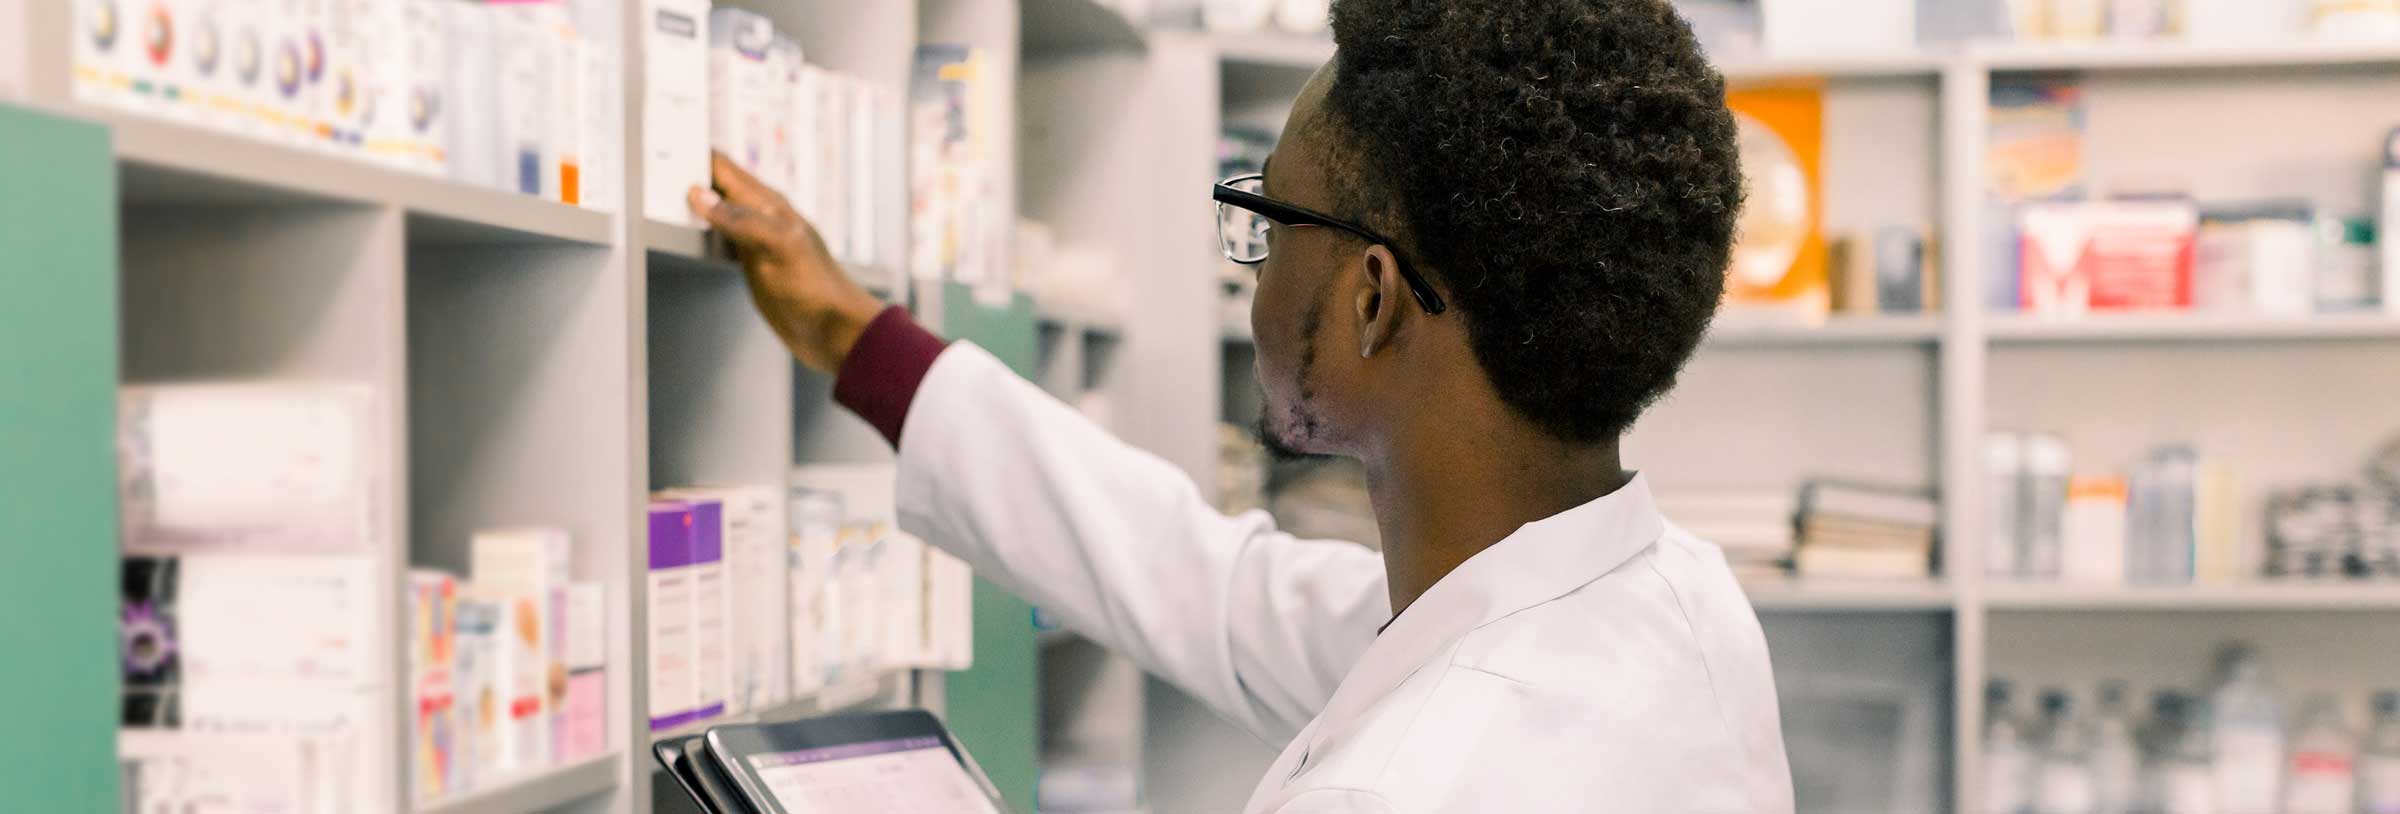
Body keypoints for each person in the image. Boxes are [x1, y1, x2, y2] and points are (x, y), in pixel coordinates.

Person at [688, 0, 1791, 810]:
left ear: (1371, 299)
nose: (1252, 269)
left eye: (1268, 225)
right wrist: (857, 338)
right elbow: (1207, 583)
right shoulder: (1667, 600)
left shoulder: (1400, 787)